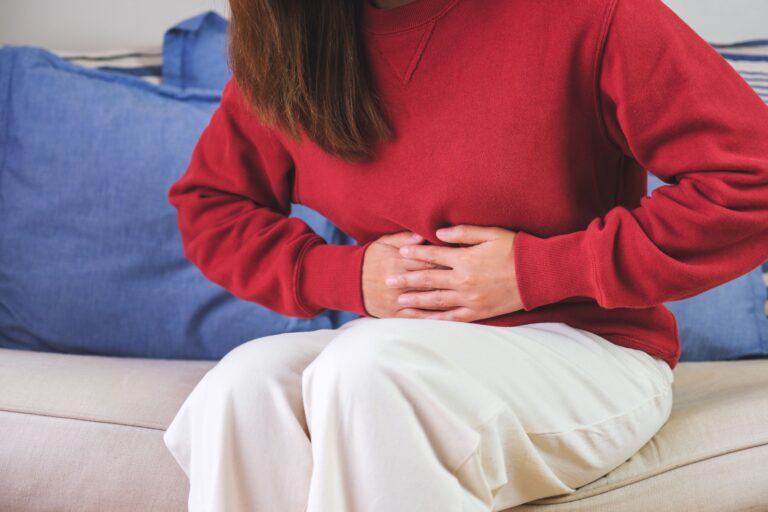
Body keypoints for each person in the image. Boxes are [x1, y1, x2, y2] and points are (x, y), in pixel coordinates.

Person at [162, 0, 768, 510]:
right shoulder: (298, 40)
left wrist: (535, 271)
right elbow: (211, 205)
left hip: (591, 349)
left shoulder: (593, 12)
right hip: (403, 348)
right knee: (243, 387)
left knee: (371, 370)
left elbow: (751, 179)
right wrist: (342, 275)